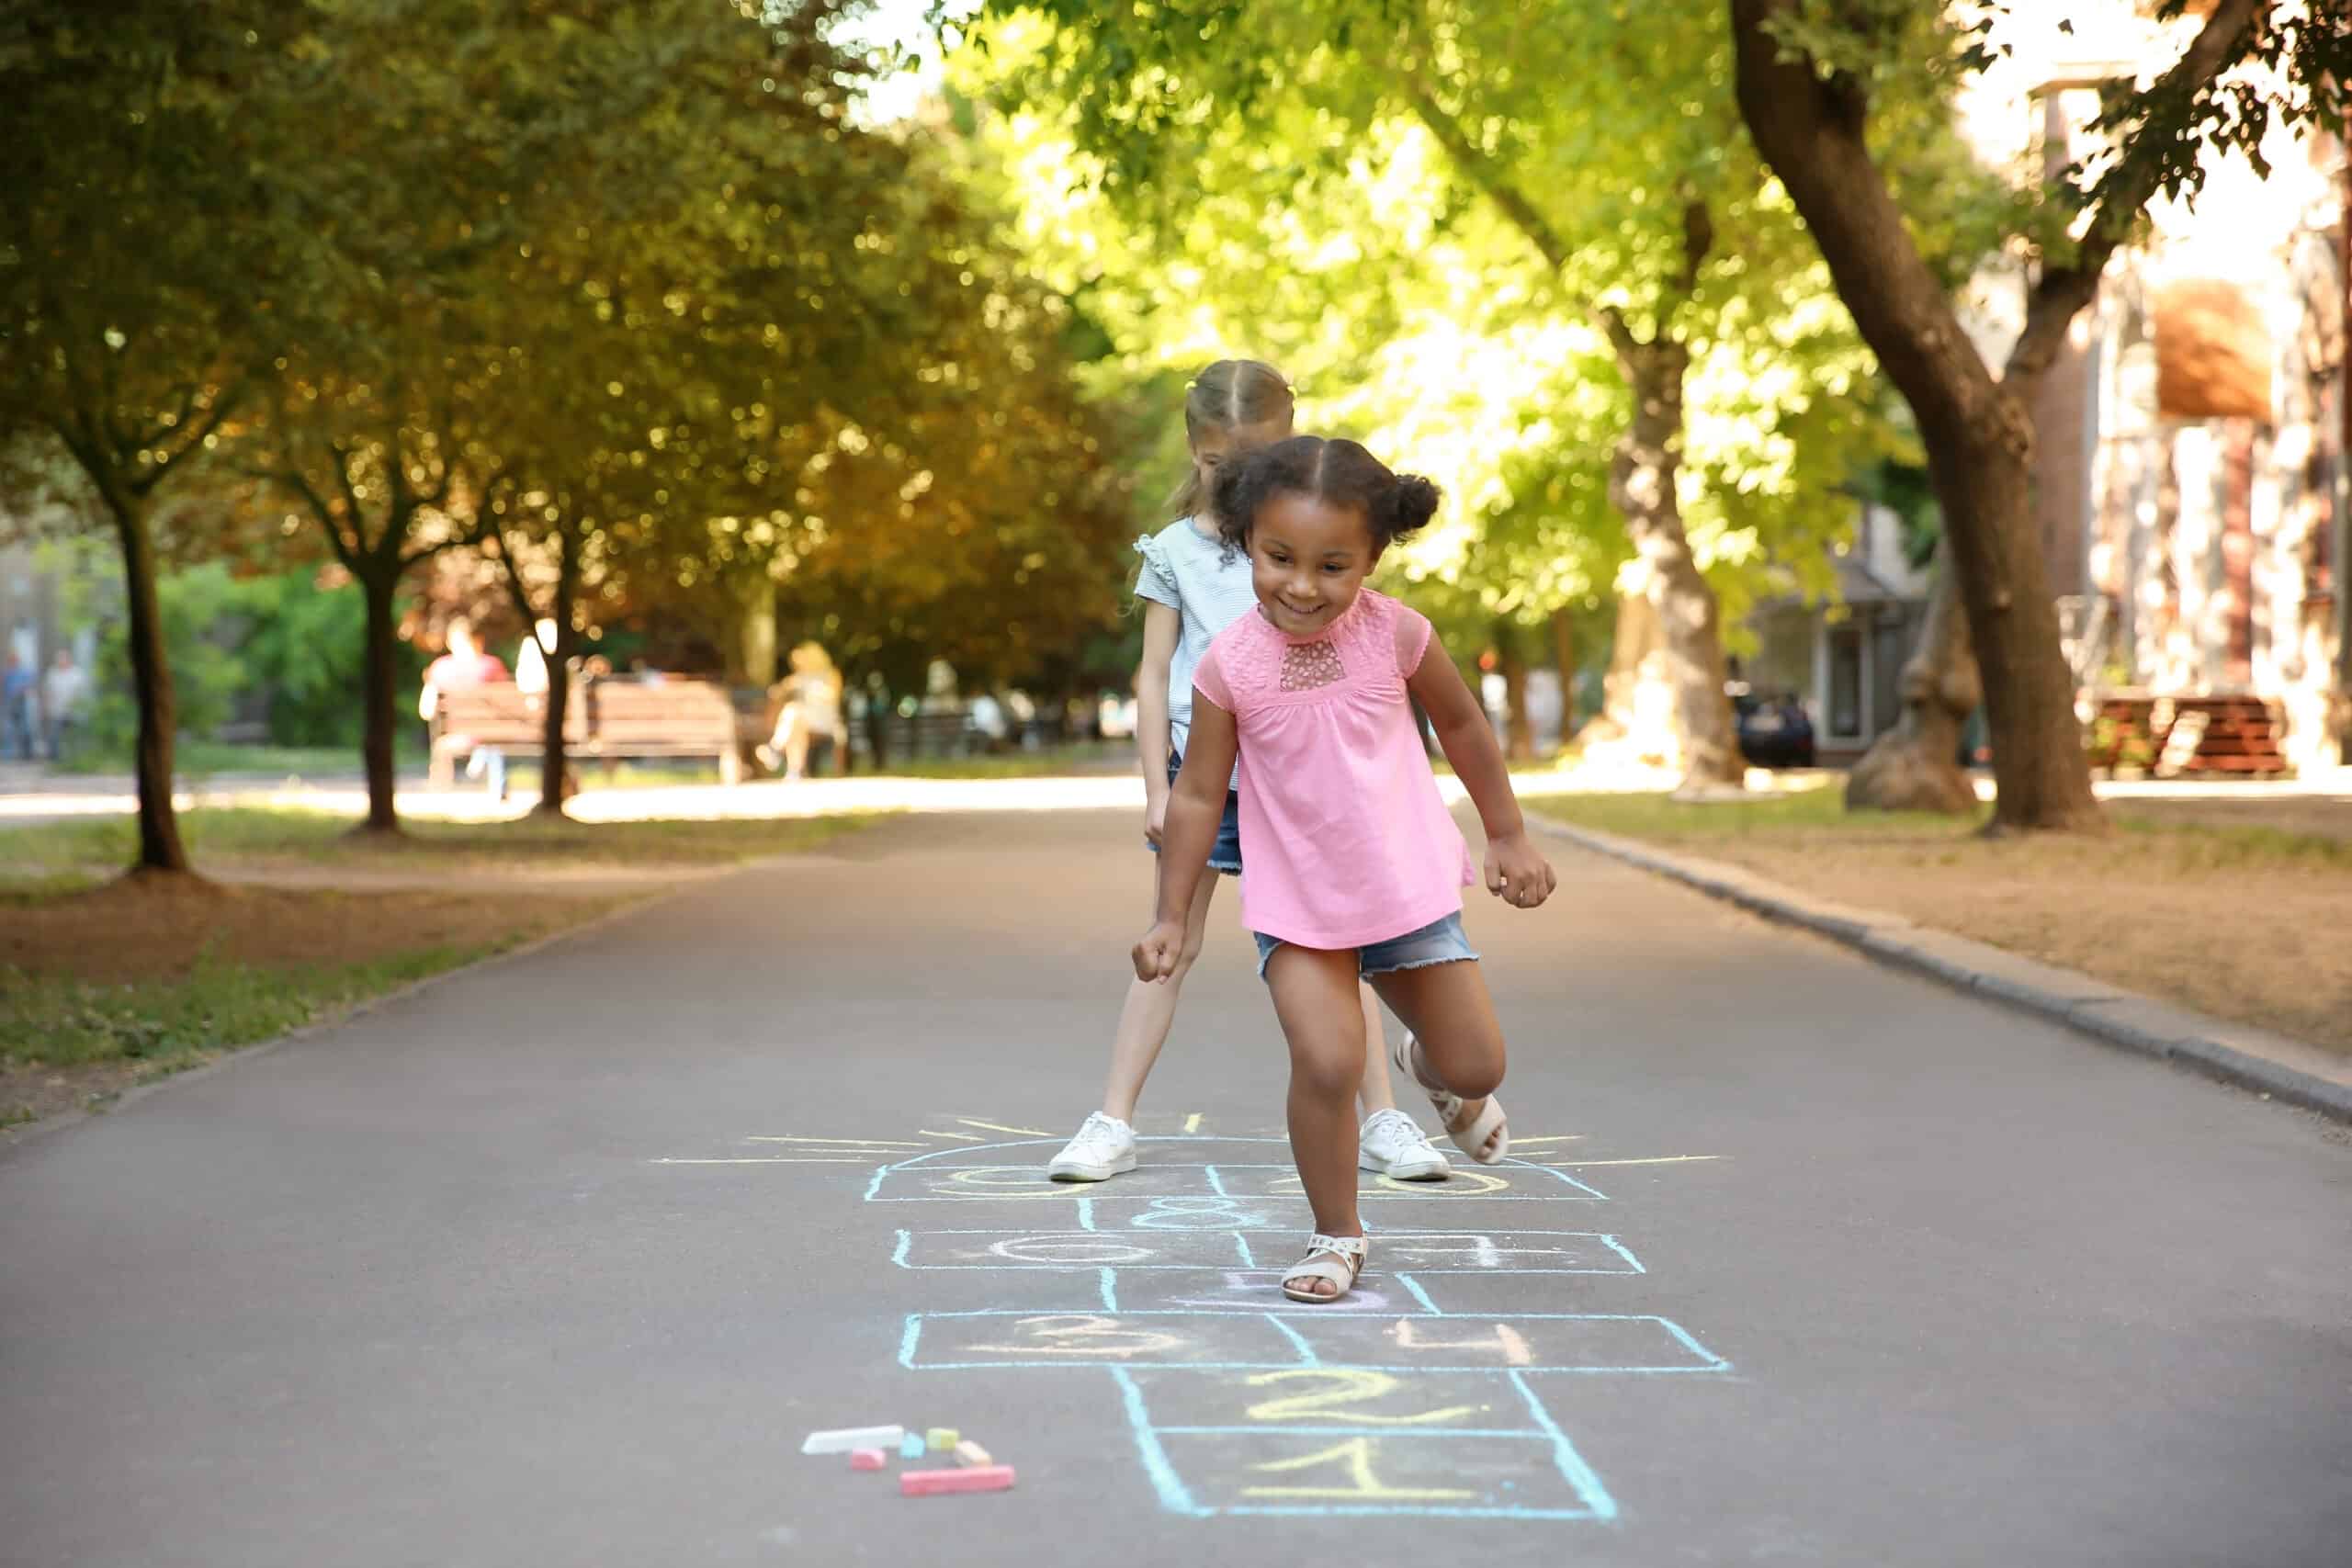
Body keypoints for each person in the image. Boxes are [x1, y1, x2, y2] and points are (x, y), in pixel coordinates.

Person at [1136, 435, 1559, 1303]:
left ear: (1372, 557)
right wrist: (1172, 915)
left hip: (1404, 891)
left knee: (1477, 1065)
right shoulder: (1229, 667)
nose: (1301, 585)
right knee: (1326, 1061)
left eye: (1333, 565)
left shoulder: (1398, 634)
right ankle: (1337, 1232)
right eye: (1278, 557)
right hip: (1297, 904)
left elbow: (1466, 728)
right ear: (1248, 541)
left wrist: (1507, 833)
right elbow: (1195, 795)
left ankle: (1431, 1071)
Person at [1050, 360, 1453, 1187]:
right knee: (1170, 939)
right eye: (1217, 467)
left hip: (1308, 779)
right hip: (1209, 777)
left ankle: (1384, 1118)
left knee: (1345, 946)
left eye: (1254, 464)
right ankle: (1111, 1120)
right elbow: (1152, 673)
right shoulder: (1172, 553)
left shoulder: (1306, 541)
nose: (1234, 482)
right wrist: (1158, 790)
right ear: (1193, 452)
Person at [418, 616, 512, 797]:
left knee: (452, 743)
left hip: (456, 734)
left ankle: (443, 786)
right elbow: (507, 703)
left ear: (450, 641)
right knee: (492, 739)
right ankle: (494, 784)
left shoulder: (440, 668)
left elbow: (426, 711)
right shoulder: (491, 665)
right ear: (479, 640)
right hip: (492, 733)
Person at [759, 642, 846, 780]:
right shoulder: (800, 676)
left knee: (794, 712)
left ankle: (775, 749)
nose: (798, 665)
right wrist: (780, 690)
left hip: (825, 719)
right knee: (795, 720)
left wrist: (815, 692)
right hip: (804, 719)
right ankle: (794, 771)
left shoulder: (831, 674)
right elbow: (777, 692)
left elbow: (834, 697)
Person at [39, 649, 89, 762]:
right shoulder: (52, 673)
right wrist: (45, 707)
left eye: (63, 659)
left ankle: (78, 758)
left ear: (69, 660)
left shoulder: (77, 674)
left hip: (75, 710)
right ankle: (55, 759)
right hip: (57, 710)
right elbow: (47, 691)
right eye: (59, 660)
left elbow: (83, 693)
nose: (61, 662)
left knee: (76, 735)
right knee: (54, 736)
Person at [1, 653, 33, 761]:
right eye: (10, 660)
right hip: (8, 703)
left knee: (25, 728)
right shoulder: (6, 673)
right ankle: (7, 754)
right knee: (7, 730)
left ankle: (26, 753)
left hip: (21, 702)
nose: (12, 662)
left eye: (14, 660)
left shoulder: (24, 672)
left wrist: (20, 689)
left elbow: (29, 685)